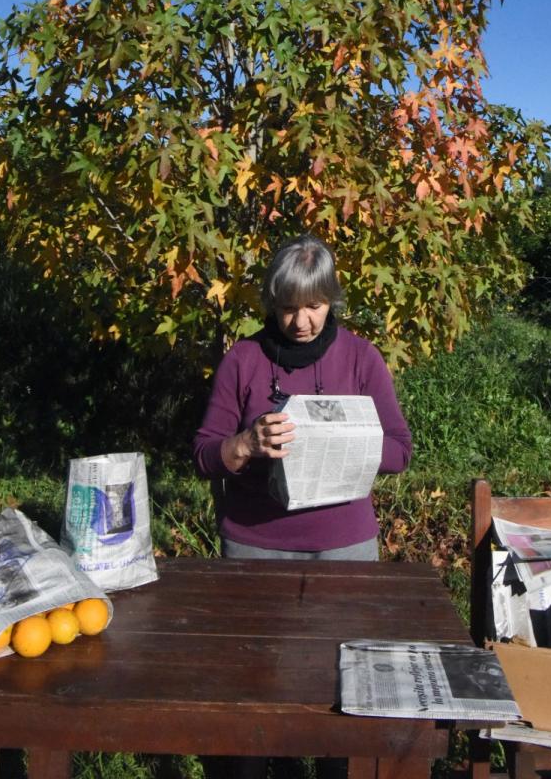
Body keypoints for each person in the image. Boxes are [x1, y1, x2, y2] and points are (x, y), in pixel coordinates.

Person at [193, 234, 412, 778]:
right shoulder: (242, 361)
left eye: (314, 306)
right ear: (272, 303)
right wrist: (244, 444)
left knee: (344, 685)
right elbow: (203, 454)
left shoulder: (362, 358)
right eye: (289, 308)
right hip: (254, 545)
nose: (302, 322)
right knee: (254, 683)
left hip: (345, 548)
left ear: (331, 300)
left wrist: (350, 438)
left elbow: (400, 451)